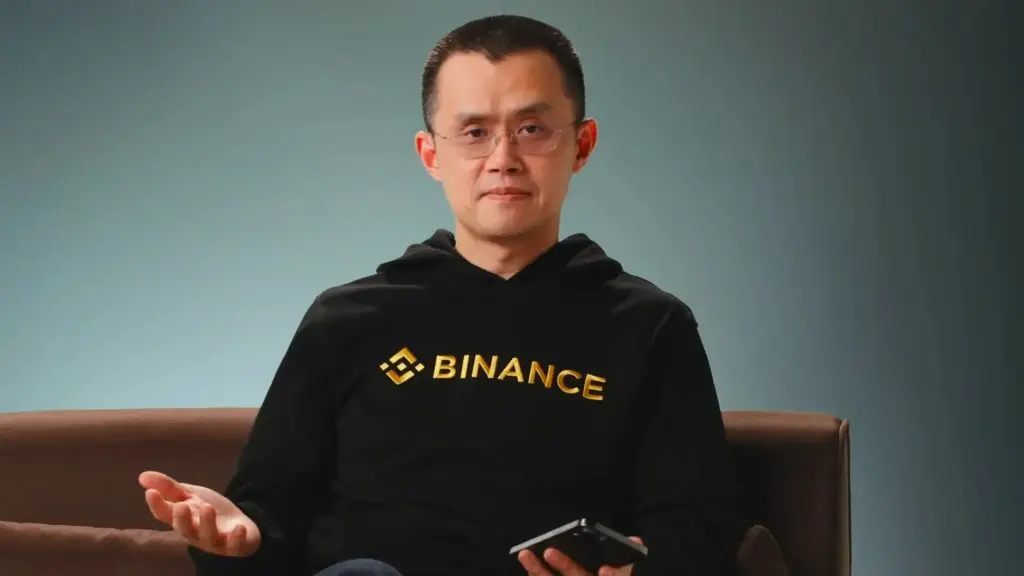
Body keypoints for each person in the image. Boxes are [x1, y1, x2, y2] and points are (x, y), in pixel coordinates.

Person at [138, 14, 742, 576]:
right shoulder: (347, 319)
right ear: (432, 153)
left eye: (531, 129)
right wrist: (237, 539)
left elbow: (698, 534)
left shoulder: (649, 326)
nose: (503, 159)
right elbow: (267, 519)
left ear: (581, 145)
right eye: (474, 132)